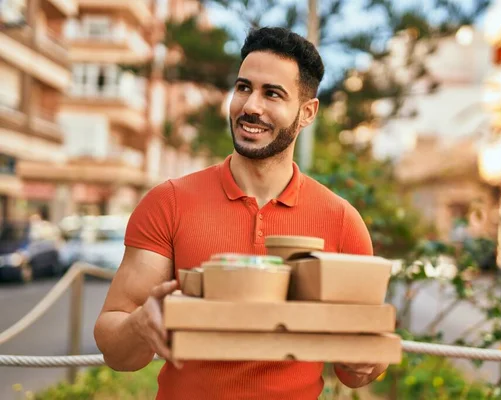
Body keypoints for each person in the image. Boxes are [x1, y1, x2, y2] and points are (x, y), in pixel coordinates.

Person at [94, 26, 388, 400]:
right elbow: (116, 348)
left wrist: (369, 360)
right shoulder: (167, 203)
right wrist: (140, 325)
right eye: (244, 87)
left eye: (273, 94)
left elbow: (357, 372)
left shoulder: (341, 220)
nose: (250, 106)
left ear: (307, 112)